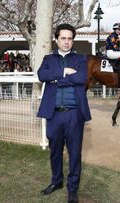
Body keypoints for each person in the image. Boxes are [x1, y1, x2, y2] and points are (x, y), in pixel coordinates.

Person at [37, 23, 91, 203]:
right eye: (63, 38)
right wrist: (64, 72)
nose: (67, 42)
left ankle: (73, 189)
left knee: (75, 153)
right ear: (56, 39)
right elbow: (41, 75)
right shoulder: (48, 59)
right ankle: (56, 181)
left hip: (74, 114)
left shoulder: (81, 59)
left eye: (70, 39)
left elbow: (81, 78)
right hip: (54, 114)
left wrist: (57, 79)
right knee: (55, 152)